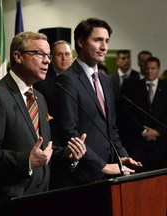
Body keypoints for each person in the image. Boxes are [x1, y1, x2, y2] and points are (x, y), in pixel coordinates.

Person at [0, 31, 87, 216]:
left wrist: (69, 155)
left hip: (38, 199)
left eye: (48, 55)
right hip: (6, 203)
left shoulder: (39, 98)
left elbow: (41, 150)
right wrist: (27, 161)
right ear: (18, 56)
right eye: (40, 54)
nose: (47, 61)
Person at [54, 18, 142, 188]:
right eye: (98, 40)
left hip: (111, 170)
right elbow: (69, 132)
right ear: (80, 42)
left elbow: (111, 127)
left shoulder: (105, 80)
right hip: (84, 174)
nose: (104, 47)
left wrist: (121, 155)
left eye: (107, 41)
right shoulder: (67, 80)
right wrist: (101, 165)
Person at [118, 57, 167, 172]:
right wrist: (143, 131)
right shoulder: (133, 87)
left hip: (161, 143)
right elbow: (128, 113)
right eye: (147, 68)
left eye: (153, 68)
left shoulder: (165, 87)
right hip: (138, 142)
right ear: (143, 69)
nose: (149, 71)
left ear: (158, 69)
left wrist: (158, 131)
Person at [34, 40, 73, 140]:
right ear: (51, 58)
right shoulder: (41, 80)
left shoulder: (79, 79)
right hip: (53, 136)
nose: (64, 58)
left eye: (67, 54)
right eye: (59, 54)